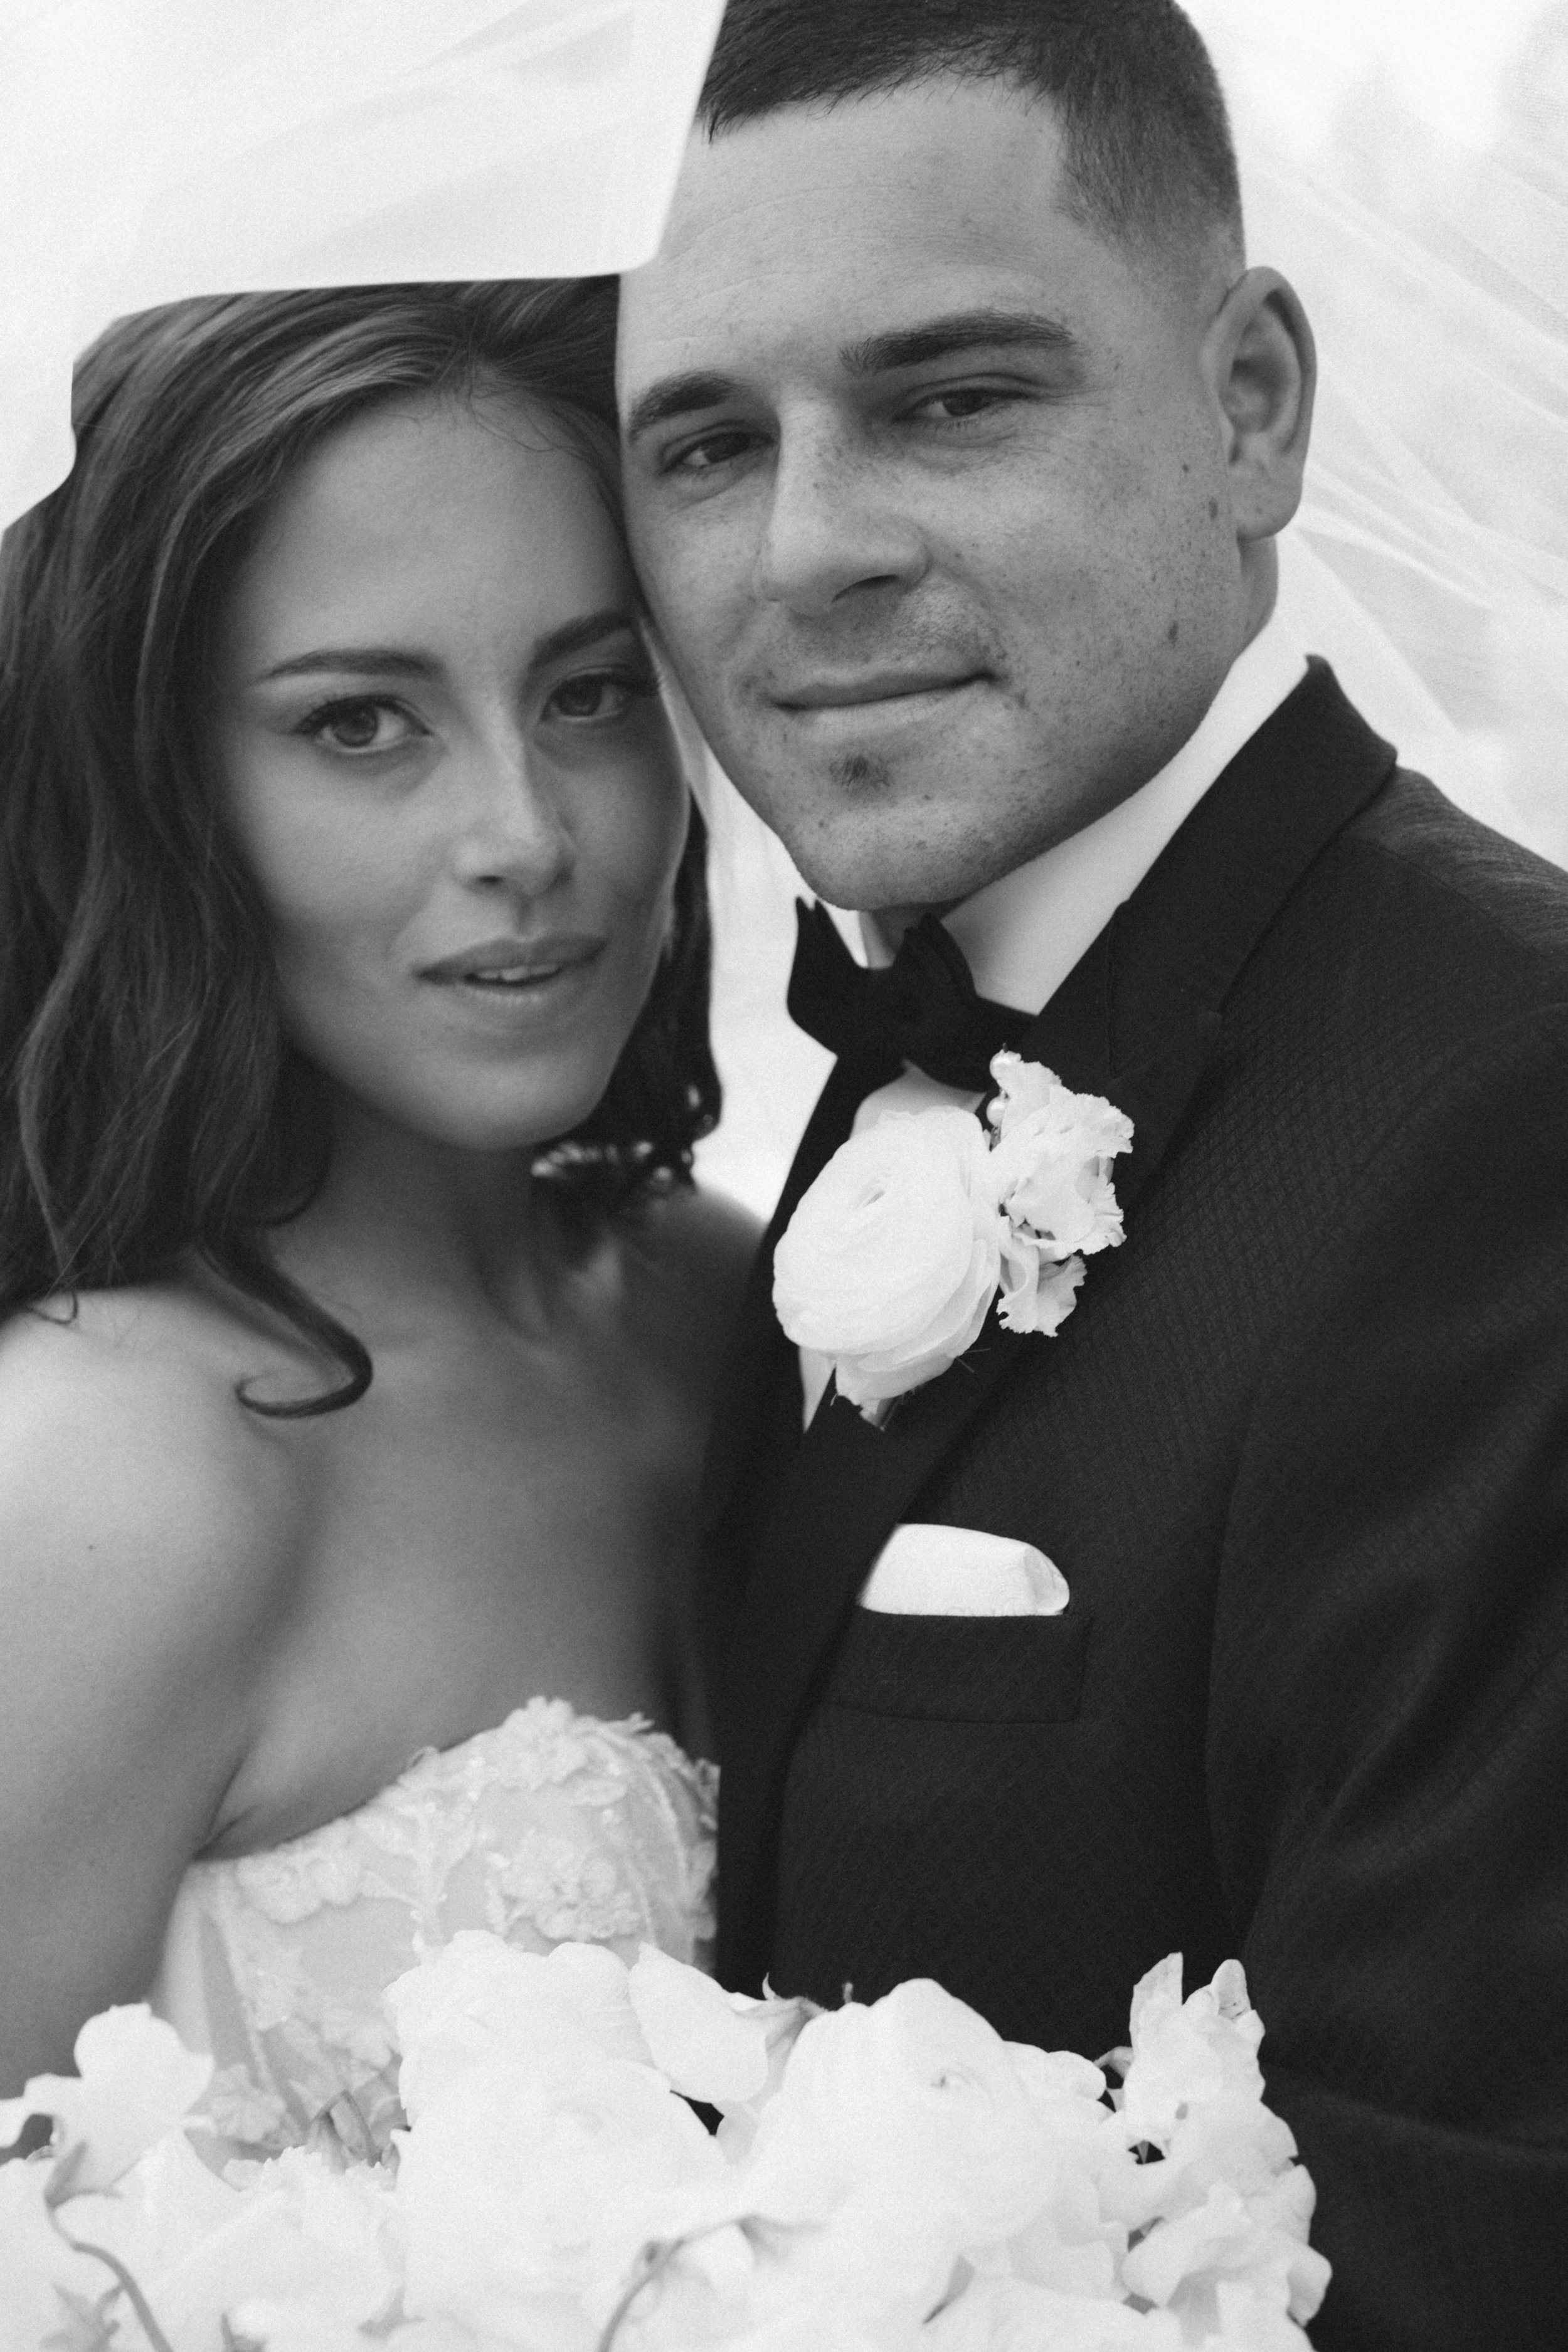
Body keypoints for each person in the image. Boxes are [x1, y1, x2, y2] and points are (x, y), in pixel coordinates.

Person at [615, 3, 1568, 2346]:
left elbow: (1475, 2237)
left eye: (952, 398)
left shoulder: (1508, 1111)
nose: (806, 550)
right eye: (709, 444)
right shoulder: (908, 1037)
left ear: (1250, 404)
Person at [0, 280, 757, 2159]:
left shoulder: (729, 1301)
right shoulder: (111, 1476)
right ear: (161, 796)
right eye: (359, 726)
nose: (523, 832)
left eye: (589, 693)